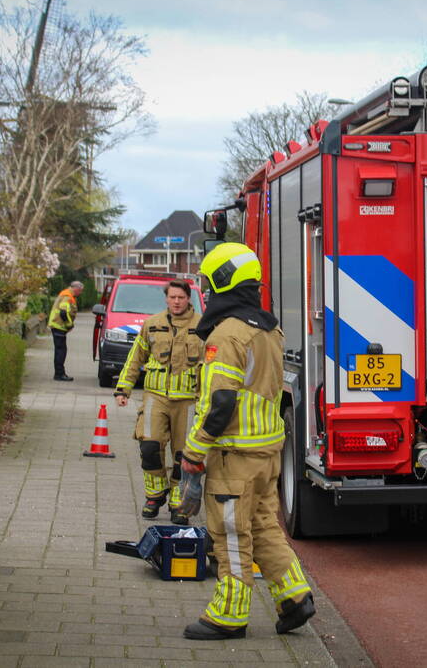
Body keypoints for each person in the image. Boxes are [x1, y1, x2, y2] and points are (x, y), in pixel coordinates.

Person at [177, 242, 316, 641]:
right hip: (267, 452)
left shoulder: (226, 335)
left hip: (234, 456)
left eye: (209, 283)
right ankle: (295, 598)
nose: (207, 292)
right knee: (263, 526)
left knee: (231, 534)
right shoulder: (269, 329)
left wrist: (194, 450)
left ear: (224, 281)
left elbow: (221, 402)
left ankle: (229, 615)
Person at [114, 280, 203, 524]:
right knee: (149, 447)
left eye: (181, 297)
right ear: (166, 299)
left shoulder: (203, 326)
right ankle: (154, 495)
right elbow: (135, 357)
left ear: (189, 299)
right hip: (155, 397)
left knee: (183, 455)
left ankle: (178, 504)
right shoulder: (152, 324)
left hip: (188, 401)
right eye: (172, 297)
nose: (176, 301)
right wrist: (123, 389)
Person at [48, 280, 83, 381]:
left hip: (57, 326)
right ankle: (59, 374)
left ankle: (59, 373)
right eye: (80, 290)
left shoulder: (67, 294)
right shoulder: (67, 296)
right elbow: (63, 313)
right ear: (76, 289)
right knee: (61, 351)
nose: (80, 293)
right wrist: (69, 325)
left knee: (60, 350)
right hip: (59, 326)